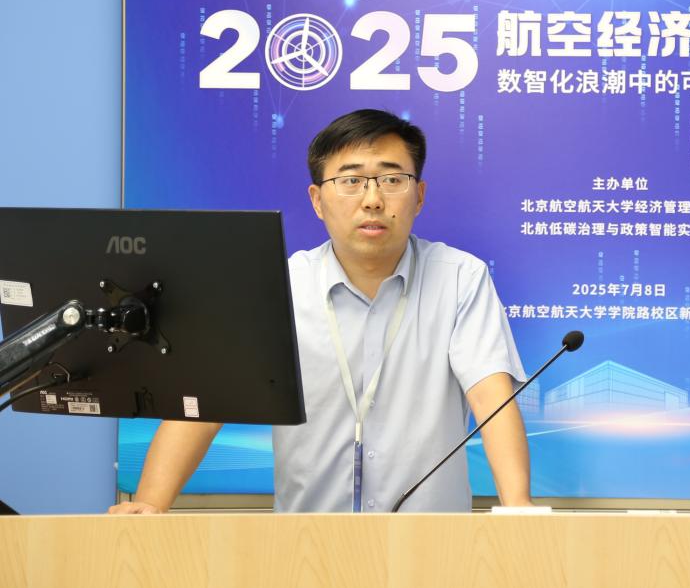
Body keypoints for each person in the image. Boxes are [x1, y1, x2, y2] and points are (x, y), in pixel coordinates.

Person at [109, 109, 531, 513]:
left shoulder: (460, 279)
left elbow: (490, 396)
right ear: (317, 200)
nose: (372, 200)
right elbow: (205, 406)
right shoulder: (280, 287)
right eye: (351, 181)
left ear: (418, 196)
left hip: (428, 545)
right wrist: (149, 506)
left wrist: (518, 509)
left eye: (391, 179)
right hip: (307, 545)